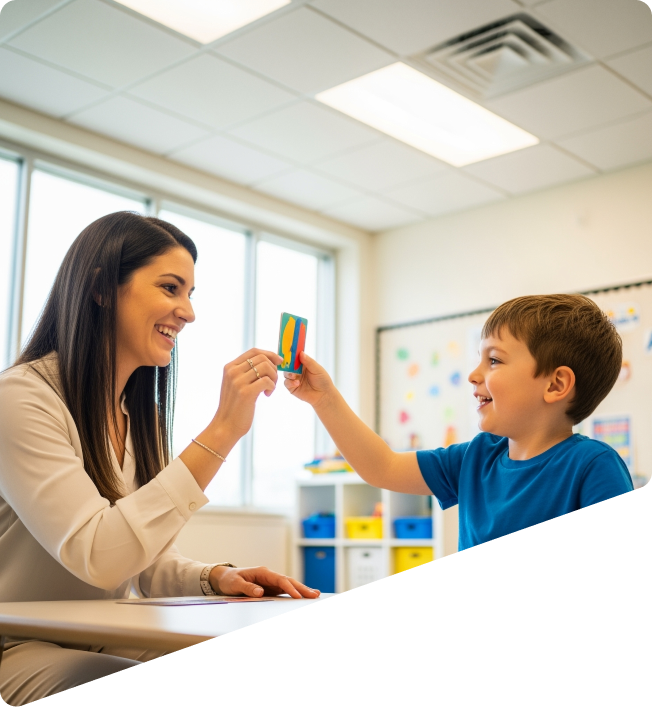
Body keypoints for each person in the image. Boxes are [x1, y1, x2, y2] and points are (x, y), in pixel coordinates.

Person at [0, 212, 318, 705]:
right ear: (102, 287)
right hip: (13, 645)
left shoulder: (138, 415)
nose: (187, 312)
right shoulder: (21, 398)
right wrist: (223, 430)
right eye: (171, 288)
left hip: (91, 635)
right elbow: (98, 556)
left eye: (190, 294)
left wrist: (215, 579)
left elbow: (140, 562)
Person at [285, 294, 634, 551]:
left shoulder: (592, 466)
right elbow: (383, 466)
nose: (473, 375)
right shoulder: (476, 458)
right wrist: (324, 398)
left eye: (494, 360)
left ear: (555, 384)